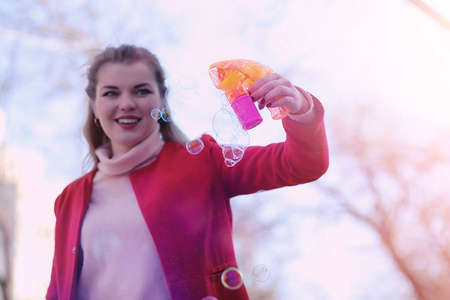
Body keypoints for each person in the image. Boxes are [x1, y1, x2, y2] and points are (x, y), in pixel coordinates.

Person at [46, 44, 329, 300]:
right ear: (94, 106)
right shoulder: (69, 199)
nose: (126, 103)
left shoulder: (202, 161)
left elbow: (303, 163)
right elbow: (57, 292)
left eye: (142, 90)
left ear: (162, 99)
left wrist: (301, 109)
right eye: (110, 93)